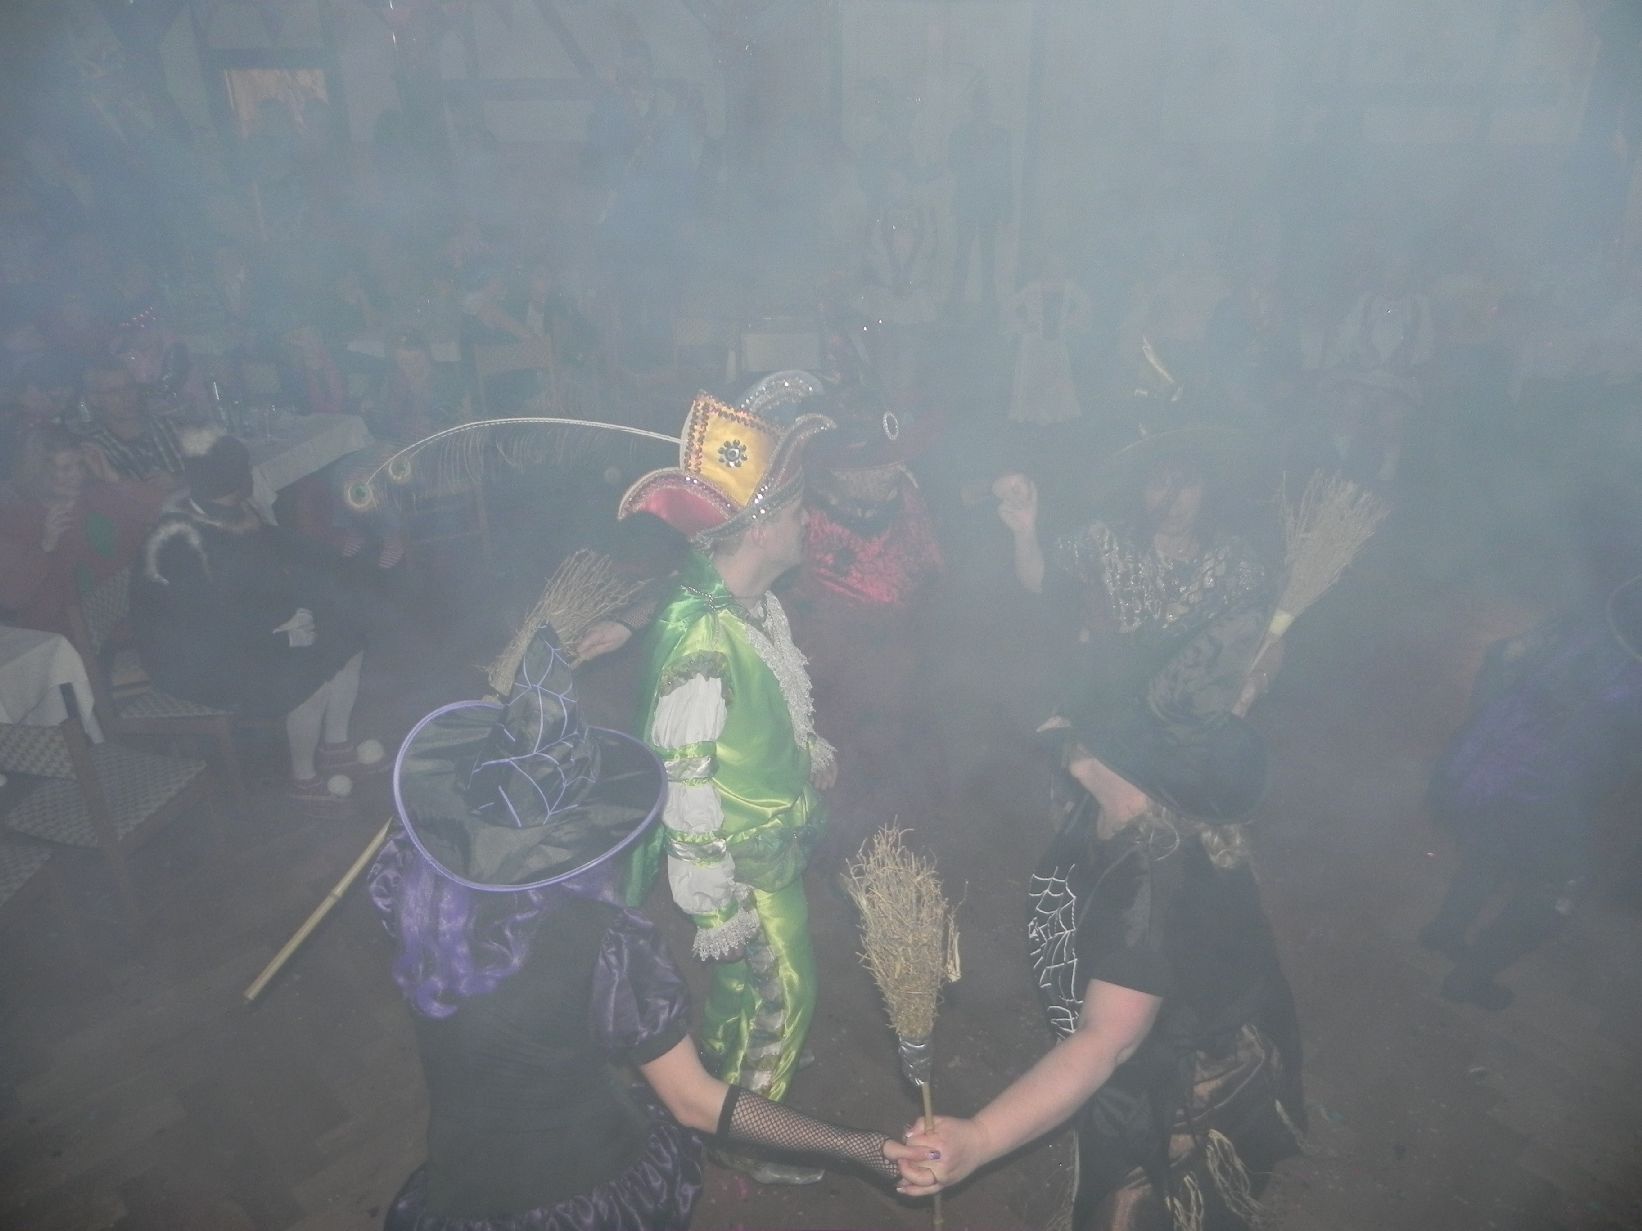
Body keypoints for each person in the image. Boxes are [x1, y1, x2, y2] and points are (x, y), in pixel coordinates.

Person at [370, 623, 926, 1228]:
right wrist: (859, 1147)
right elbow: (694, 1102)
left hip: (462, 1190)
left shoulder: (409, 890)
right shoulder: (603, 941)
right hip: (578, 1194)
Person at [897, 699, 1305, 1230]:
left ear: (1144, 766)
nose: (1067, 714)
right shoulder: (1111, 808)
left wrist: (981, 1137)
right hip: (1140, 1032)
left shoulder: (1153, 891)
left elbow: (1105, 1042)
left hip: (1185, 1078)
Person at [617, 373, 839, 1184]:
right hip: (744, 857)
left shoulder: (749, 603)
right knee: (792, 987)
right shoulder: (706, 636)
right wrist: (714, 898)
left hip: (770, 833)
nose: (808, 522)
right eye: (797, 511)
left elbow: (774, 696)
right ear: (760, 528)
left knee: (751, 990)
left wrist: (806, 751)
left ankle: (726, 1071)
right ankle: (749, 1135)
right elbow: (683, 777)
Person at [130, 429, 382, 819]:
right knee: (308, 665)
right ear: (241, 478)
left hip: (230, 634)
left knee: (348, 635)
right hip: (190, 663)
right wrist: (281, 632)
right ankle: (303, 777)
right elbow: (203, 622)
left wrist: (334, 561)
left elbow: (274, 545)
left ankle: (335, 746)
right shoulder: (179, 539)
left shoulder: (222, 508)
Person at [1419, 576, 1642, 1010]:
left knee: (1493, 846)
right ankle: (1469, 978)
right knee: (1560, 889)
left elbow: (1502, 655)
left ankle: (1444, 930)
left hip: (1488, 769)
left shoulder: (1585, 621)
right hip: (1543, 790)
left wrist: (1485, 737)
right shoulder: (1630, 681)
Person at [994, 429, 1272, 720]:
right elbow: (1038, 581)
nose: (1173, 501)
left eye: (1186, 484)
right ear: (1141, 491)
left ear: (1205, 489)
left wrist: (1256, 682)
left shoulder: (1231, 558)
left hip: (1186, 719)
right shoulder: (1108, 540)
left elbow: (1270, 632)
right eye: (1159, 484)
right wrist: (1025, 533)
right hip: (1106, 707)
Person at [0, 425, 153, 634]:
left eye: (80, 465)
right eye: (66, 468)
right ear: (39, 472)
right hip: (64, 639)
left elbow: (160, 517)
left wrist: (112, 477)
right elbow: (11, 597)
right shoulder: (14, 521)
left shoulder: (100, 495)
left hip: (130, 624)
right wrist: (45, 547)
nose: (77, 474)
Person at [1004, 251, 1092, 426]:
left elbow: (1086, 304)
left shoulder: (1069, 288)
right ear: (1044, 267)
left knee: (1056, 380)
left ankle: (1055, 417)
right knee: (1033, 380)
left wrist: (1069, 323)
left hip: (1056, 342)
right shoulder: (1033, 287)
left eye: (1059, 266)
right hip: (1033, 343)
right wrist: (1023, 325)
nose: (1056, 269)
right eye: (1052, 265)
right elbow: (1010, 306)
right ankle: (1030, 417)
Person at [80, 360, 186, 489]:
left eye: (129, 387)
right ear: (94, 399)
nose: (126, 397)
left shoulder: (171, 424)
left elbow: (208, 468)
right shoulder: (95, 450)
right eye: (113, 391)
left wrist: (178, 480)